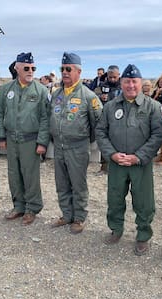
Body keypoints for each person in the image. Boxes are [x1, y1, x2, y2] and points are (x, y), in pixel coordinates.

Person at [96, 64, 162, 255]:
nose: (131, 85)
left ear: (141, 83)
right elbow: (101, 132)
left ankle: (143, 236)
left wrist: (139, 157)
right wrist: (111, 154)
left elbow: (158, 134)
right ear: (121, 82)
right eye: (127, 81)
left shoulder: (152, 106)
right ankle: (116, 229)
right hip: (117, 163)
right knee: (115, 198)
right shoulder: (110, 106)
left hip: (140, 164)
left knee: (144, 202)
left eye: (134, 82)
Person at [50, 52, 103, 234]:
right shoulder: (56, 94)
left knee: (78, 185)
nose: (65, 72)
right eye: (62, 69)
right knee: (62, 183)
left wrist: (85, 140)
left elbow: (98, 122)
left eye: (68, 69)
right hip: (59, 146)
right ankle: (66, 215)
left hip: (78, 147)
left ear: (78, 72)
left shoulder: (88, 96)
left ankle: (79, 217)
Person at [0, 52, 50, 225]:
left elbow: (45, 118)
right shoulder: (6, 89)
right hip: (11, 139)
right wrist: (1, 136)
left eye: (33, 68)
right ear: (17, 68)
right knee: (13, 174)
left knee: (30, 175)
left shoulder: (41, 90)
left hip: (30, 140)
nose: (30, 71)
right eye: (26, 68)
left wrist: (42, 142)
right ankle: (18, 206)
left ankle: (32, 208)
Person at [94, 65, 121, 174]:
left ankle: (118, 166)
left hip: (120, 118)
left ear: (119, 75)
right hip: (105, 118)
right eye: (110, 77)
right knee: (104, 143)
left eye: (115, 77)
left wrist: (110, 97)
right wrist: (100, 96)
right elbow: (94, 95)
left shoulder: (123, 86)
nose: (112, 79)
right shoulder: (102, 85)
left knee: (119, 143)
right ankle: (104, 167)